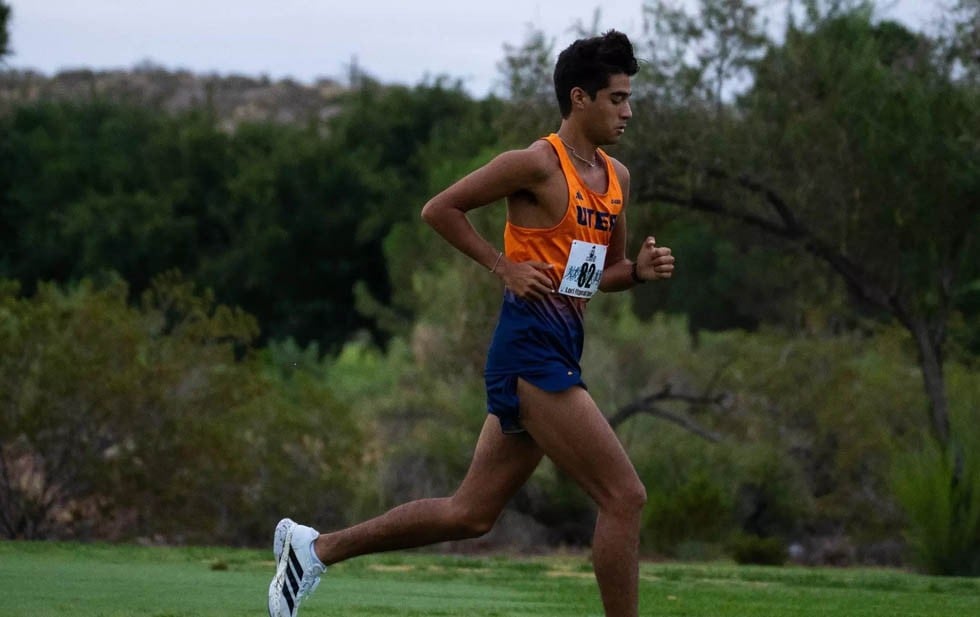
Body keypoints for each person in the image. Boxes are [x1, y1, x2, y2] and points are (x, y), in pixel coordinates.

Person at [268, 29, 675, 617]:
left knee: (470, 513)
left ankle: (315, 549)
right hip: (529, 351)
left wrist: (638, 271)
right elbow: (439, 209)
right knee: (624, 497)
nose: (628, 111)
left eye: (630, 98)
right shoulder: (535, 164)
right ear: (580, 98)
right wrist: (502, 265)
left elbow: (601, 274)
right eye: (617, 98)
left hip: (561, 346)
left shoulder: (618, 179)